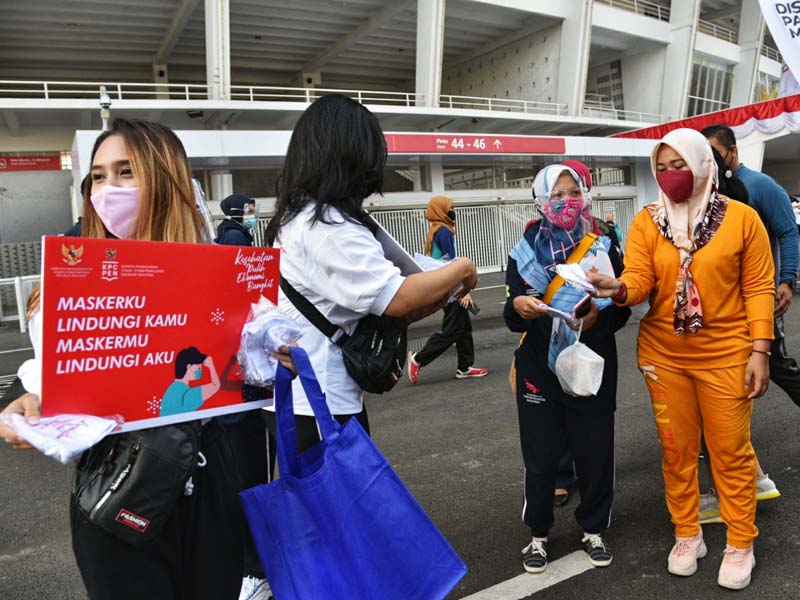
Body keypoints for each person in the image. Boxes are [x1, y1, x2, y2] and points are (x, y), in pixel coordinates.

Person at [0, 119, 247, 600]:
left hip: (208, 475)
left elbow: (242, 373)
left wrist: (274, 355)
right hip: (116, 481)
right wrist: (24, 403)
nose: (107, 189)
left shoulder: (221, 272)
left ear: (165, 177)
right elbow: (44, 371)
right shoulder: (69, 280)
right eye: (98, 175)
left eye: (126, 172)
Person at [590, 128, 774, 590]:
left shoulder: (743, 220)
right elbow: (639, 278)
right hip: (664, 355)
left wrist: (760, 350)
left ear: (703, 164)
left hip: (728, 354)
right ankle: (687, 532)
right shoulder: (648, 221)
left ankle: (740, 540)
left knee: (730, 453)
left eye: (680, 166)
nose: (671, 176)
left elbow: (758, 289)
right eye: (662, 168)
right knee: (676, 452)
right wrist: (619, 289)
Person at [264, 94, 478, 454]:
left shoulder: (300, 217)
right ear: (351, 153)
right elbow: (400, 297)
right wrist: (464, 268)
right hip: (322, 403)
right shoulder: (327, 226)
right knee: (343, 506)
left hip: (303, 398)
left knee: (319, 505)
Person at [504, 163, 629, 574]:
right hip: (539, 365)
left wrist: (599, 318)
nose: (565, 202)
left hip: (591, 363)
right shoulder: (525, 249)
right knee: (540, 457)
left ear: (585, 195)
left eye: (572, 192)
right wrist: (521, 309)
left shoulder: (605, 244)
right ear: (541, 201)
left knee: (594, 452)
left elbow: (622, 307)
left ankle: (593, 528)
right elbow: (511, 313)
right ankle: (538, 535)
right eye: (556, 195)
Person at [700, 124, 797, 518]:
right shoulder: (706, 192)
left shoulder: (759, 187)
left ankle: (744, 483)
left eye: (712, 151)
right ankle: (749, 477)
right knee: (730, 392)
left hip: (755, 306)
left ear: (732, 152)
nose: (706, 159)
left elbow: (788, 232)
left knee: (775, 369)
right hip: (719, 313)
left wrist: (785, 280)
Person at [214, 192, 275, 600]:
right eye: (250, 209)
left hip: (230, 385)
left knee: (241, 478)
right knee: (250, 477)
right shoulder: (235, 242)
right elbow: (243, 304)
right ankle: (255, 568)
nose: (254, 214)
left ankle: (252, 565)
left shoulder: (225, 238)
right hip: (243, 385)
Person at [407, 195, 488, 384]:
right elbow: (453, 265)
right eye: (450, 207)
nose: (453, 211)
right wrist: (464, 290)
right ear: (441, 210)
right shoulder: (443, 231)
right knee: (451, 330)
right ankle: (418, 359)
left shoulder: (435, 230)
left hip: (445, 286)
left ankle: (465, 367)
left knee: (463, 327)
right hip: (451, 289)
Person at [159, 347, 220, 416]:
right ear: (188, 366)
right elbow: (216, 385)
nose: (200, 370)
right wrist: (211, 366)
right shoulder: (186, 394)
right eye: (198, 367)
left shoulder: (173, 388)